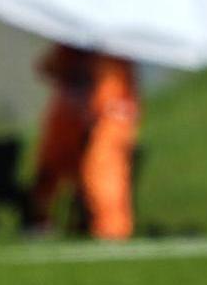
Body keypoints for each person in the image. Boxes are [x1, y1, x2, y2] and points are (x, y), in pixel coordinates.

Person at [30, 43, 139, 240]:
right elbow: (47, 67)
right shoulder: (70, 49)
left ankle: (112, 234)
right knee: (51, 168)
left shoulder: (112, 50)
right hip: (77, 114)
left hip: (109, 114)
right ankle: (39, 222)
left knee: (103, 173)